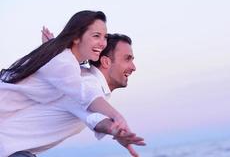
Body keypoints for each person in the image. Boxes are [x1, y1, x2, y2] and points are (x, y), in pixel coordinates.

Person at [0, 31, 145, 156]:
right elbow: (94, 119)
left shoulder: (80, 78)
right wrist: (115, 130)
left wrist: (53, 47)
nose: (134, 67)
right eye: (127, 59)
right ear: (106, 62)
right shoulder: (87, 83)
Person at [0, 10, 130, 132]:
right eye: (96, 36)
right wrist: (117, 116)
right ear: (76, 37)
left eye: (104, 37)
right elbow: (85, 95)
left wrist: (51, 43)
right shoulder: (63, 62)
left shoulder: (60, 57)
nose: (102, 43)